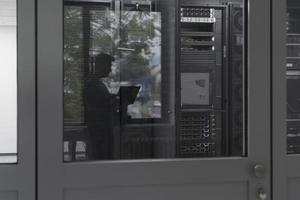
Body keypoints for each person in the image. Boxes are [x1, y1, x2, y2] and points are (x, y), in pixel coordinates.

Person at [84, 53, 115, 160]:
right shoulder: (92, 84)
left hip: (101, 133)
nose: (110, 70)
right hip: (99, 134)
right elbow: (96, 109)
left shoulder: (97, 84)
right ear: (101, 65)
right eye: (109, 66)